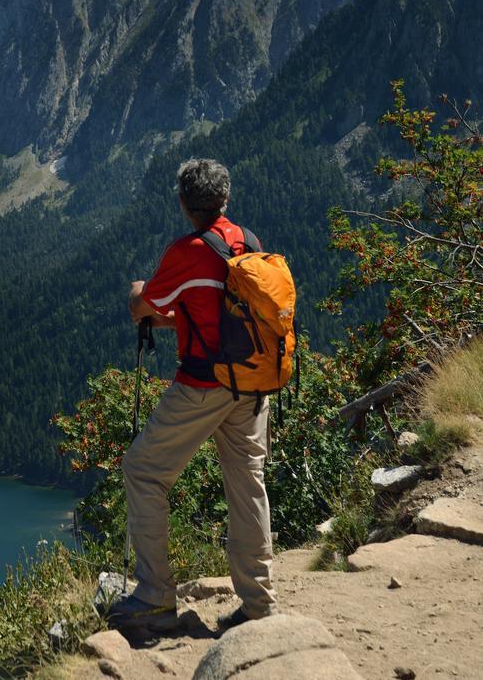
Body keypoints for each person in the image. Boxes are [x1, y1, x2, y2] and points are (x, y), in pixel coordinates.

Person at [108, 158, 277, 632]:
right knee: (248, 487)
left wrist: (136, 291)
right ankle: (259, 604)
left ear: (184, 204)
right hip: (252, 385)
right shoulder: (249, 244)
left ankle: (155, 594)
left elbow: (145, 305)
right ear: (225, 200)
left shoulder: (188, 252)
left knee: (143, 470)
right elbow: (211, 313)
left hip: (203, 386)